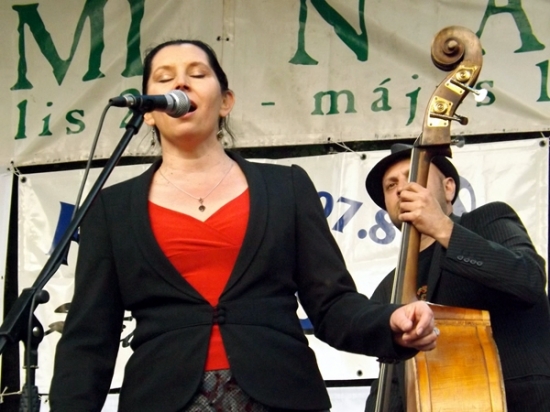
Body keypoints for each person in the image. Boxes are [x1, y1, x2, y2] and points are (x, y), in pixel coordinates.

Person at [48, 40, 438, 412]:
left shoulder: (285, 187)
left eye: (197, 74)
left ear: (226, 101)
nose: (181, 83)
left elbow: (332, 305)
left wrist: (389, 323)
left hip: (282, 394)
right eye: (164, 78)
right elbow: (89, 340)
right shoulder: (112, 208)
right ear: (148, 111)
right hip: (161, 397)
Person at [364, 143, 550, 412]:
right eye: (391, 186)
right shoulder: (388, 289)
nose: (402, 189)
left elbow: (529, 279)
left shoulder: (487, 221)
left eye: (413, 176)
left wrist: (442, 227)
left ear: (449, 188)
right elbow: (392, 383)